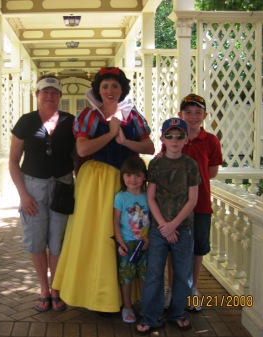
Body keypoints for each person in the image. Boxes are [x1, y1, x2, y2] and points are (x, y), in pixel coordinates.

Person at [52, 67, 155, 314]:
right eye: (105, 86)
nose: (110, 91)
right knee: (93, 234)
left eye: (115, 86)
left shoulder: (133, 115)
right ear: (98, 89)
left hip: (124, 181)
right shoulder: (89, 115)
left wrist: (124, 141)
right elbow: (84, 149)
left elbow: (149, 147)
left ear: (122, 90)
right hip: (95, 182)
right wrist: (110, 134)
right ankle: (92, 292)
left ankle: (122, 297)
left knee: (123, 232)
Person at [9, 75, 75, 312]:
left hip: (62, 185)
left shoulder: (70, 121)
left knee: (58, 239)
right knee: (36, 240)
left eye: (54, 92)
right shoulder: (26, 122)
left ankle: (56, 289)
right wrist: (23, 195)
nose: (49, 96)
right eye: (45, 92)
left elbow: (78, 157)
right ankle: (44, 289)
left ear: (60, 96)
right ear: (36, 95)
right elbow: (13, 161)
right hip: (33, 187)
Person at [136, 117, 200, 334]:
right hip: (159, 229)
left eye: (179, 136)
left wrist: (173, 225)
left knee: (182, 273)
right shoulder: (155, 164)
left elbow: (192, 200)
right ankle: (150, 316)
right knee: (154, 273)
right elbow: (151, 197)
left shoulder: (191, 165)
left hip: (184, 227)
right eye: (170, 135)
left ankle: (178, 313)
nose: (175, 140)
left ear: (186, 139)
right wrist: (164, 225)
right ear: (162, 138)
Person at [163, 94, 223, 311]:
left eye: (198, 112)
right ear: (180, 115)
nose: (193, 116)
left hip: (201, 205)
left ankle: (192, 288)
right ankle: (171, 289)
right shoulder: (174, 136)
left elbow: (212, 171)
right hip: (174, 207)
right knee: (173, 248)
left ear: (205, 115)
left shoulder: (211, 141)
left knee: (198, 249)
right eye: (188, 112)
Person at [113, 156, 150, 323]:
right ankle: (127, 307)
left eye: (137, 175)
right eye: (128, 175)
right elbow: (115, 222)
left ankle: (145, 305)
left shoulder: (149, 196)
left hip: (146, 244)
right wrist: (120, 243)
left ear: (144, 177)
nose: (133, 179)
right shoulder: (120, 197)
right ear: (123, 177)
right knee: (126, 277)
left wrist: (149, 239)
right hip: (127, 244)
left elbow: (154, 219)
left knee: (145, 276)